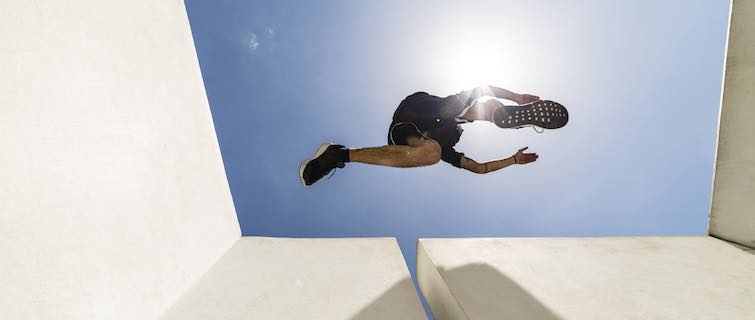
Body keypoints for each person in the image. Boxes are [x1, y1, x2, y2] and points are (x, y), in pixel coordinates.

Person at [299, 86, 545, 186]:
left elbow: (479, 168)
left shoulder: (446, 145)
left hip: (421, 137)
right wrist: (516, 97)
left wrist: (513, 160)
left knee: (433, 152)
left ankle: (338, 154)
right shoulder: (452, 107)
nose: (459, 134)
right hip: (410, 116)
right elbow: (481, 88)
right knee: (456, 111)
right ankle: (495, 111)